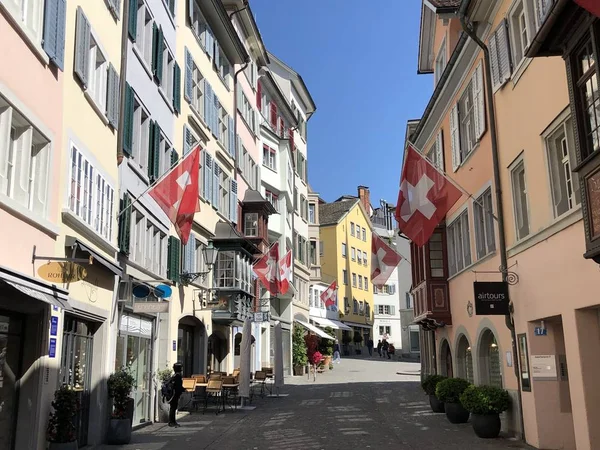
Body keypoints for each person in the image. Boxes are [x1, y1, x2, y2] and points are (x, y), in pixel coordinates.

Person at [169, 362, 185, 427]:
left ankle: (172, 421)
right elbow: (178, 386)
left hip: (173, 394)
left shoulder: (174, 375)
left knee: (172, 408)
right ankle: (172, 422)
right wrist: (183, 389)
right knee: (173, 408)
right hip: (175, 394)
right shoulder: (178, 376)